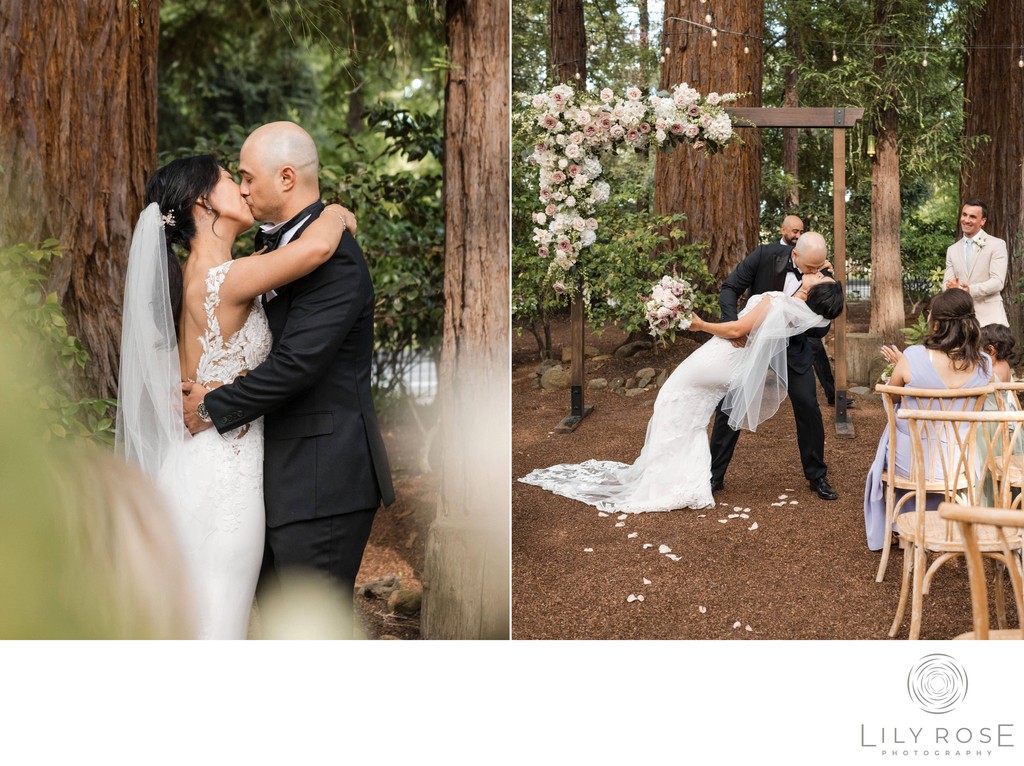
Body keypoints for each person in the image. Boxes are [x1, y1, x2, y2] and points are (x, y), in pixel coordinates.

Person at [116, 154, 353, 638]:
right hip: (222, 476)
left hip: (203, 459)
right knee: (217, 618)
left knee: (204, 614)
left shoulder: (211, 271)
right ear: (205, 203)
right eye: (231, 179)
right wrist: (333, 213)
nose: (243, 190)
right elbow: (312, 253)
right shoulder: (221, 279)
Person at [181, 122, 396, 621]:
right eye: (236, 179)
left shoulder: (334, 258)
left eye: (248, 177)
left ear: (285, 177)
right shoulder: (277, 253)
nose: (243, 188)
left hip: (323, 480)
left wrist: (212, 406)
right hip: (273, 478)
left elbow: (297, 362)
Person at [519, 272, 844, 513]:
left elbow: (736, 330)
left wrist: (699, 324)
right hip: (731, 366)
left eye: (820, 277)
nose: (818, 272)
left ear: (811, 290)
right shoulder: (800, 315)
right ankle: (685, 476)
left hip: (720, 356)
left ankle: (668, 479)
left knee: (671, 400)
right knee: (686, 413)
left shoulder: (778, 303)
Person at [709, 231, 842, 500]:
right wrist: (735, 327)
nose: (817, 272)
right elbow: (730, 288)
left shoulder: (824, 277)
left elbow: (819, 330)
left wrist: (820, 289)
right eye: (810, 267)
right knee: (730, 405)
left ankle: (817, 475)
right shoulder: (764, 255)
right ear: (794, 254)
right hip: (753, 343)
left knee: (808, 406)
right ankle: (713, 475)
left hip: (794, 347)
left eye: (820, 266)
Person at [863, 289, 992, 551]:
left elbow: (891, 398)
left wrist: (905, 364)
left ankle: (901, 524)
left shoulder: (913, 356)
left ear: (936, 323)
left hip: (912, 464)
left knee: (897, 427)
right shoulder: (985, 364)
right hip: (958, 464)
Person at [778, 215, 851, 409]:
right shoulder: (772, 257)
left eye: (801, 231)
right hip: (779, 322)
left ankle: (831, 394)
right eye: (794, 231)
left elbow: (824, 292)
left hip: (807, 325)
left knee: (817, 352)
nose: (798, 235)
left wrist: (826, 275)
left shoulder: (815, 259)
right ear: (782, 231)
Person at [944, 199, 1008, 327]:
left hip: (990, 319)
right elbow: (946, 284)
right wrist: (950, 288)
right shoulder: (952, 250)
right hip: (961, 321)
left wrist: (970, 290)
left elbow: (998, 282)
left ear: (982, 221)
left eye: (972, 217)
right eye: (964, 215)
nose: (966, 220)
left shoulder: (997, 244)